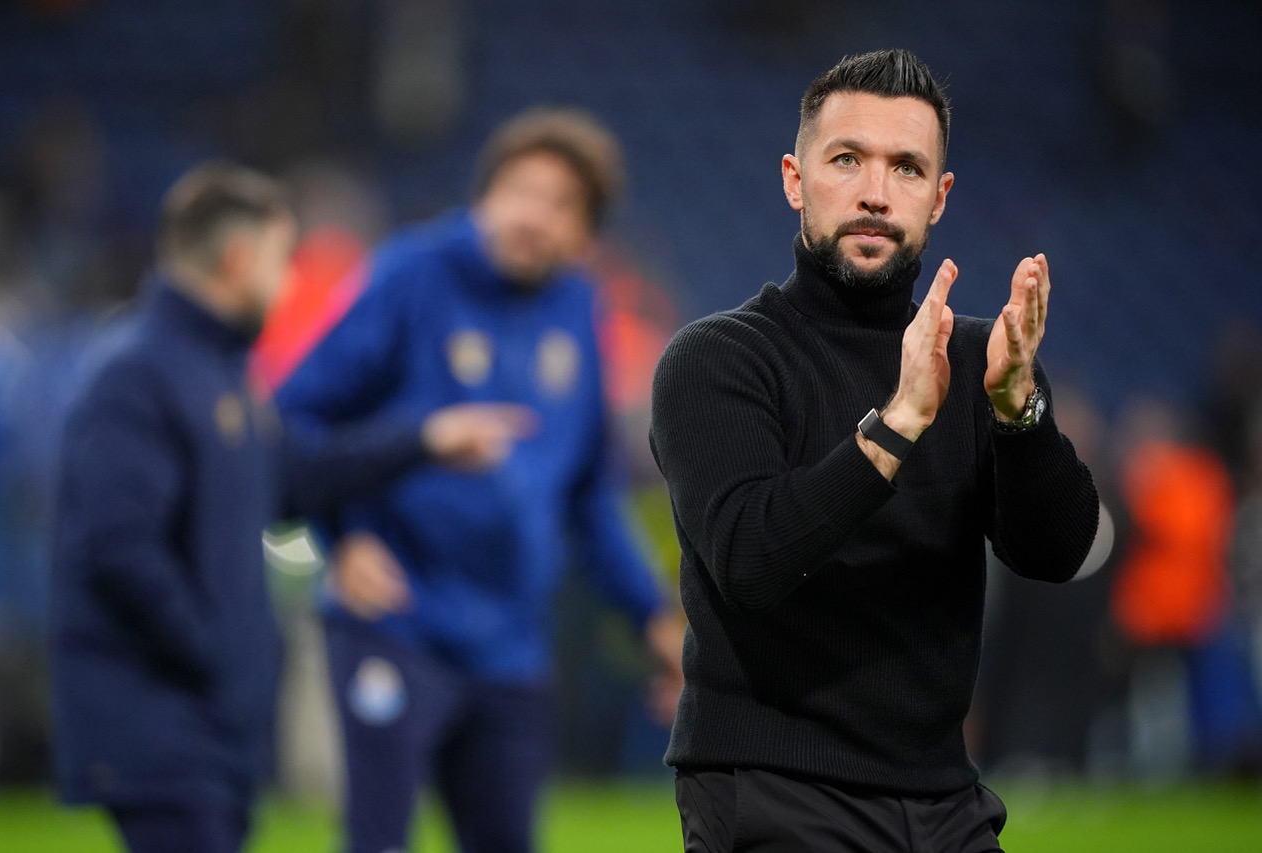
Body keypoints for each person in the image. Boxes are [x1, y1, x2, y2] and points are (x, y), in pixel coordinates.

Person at [649, 49, 1101, 852]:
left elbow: (1059, 551)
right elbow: (750, 558)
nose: (875, 193)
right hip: (769, 790)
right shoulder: (717, 360)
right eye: (847, 159)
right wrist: (895, 426)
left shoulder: (978, 362)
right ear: (796, 179)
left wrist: (1017, 412)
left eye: (907, 168)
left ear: (940, 197)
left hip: (941, 795)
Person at [274, 107, 684, 853]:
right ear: (483, 195)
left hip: (511, 641)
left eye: (561, 204)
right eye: (520, 189)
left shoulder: (579, 308)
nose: (534, 214)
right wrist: (343, 539)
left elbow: (589, 494)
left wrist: (653, 617)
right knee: (376, 841)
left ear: (586, 236)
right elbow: (294, 424)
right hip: (397, 620)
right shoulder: (410, 274)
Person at [49, 162, 431, 853]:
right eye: (284, 259)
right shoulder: (137, 374)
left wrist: (423, 440)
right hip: (160, 726)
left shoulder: (220, 371)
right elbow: (116, 545)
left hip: (203, 732)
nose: (289, 282)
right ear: (237, 259)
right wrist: (217, 650)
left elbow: (292, 480)